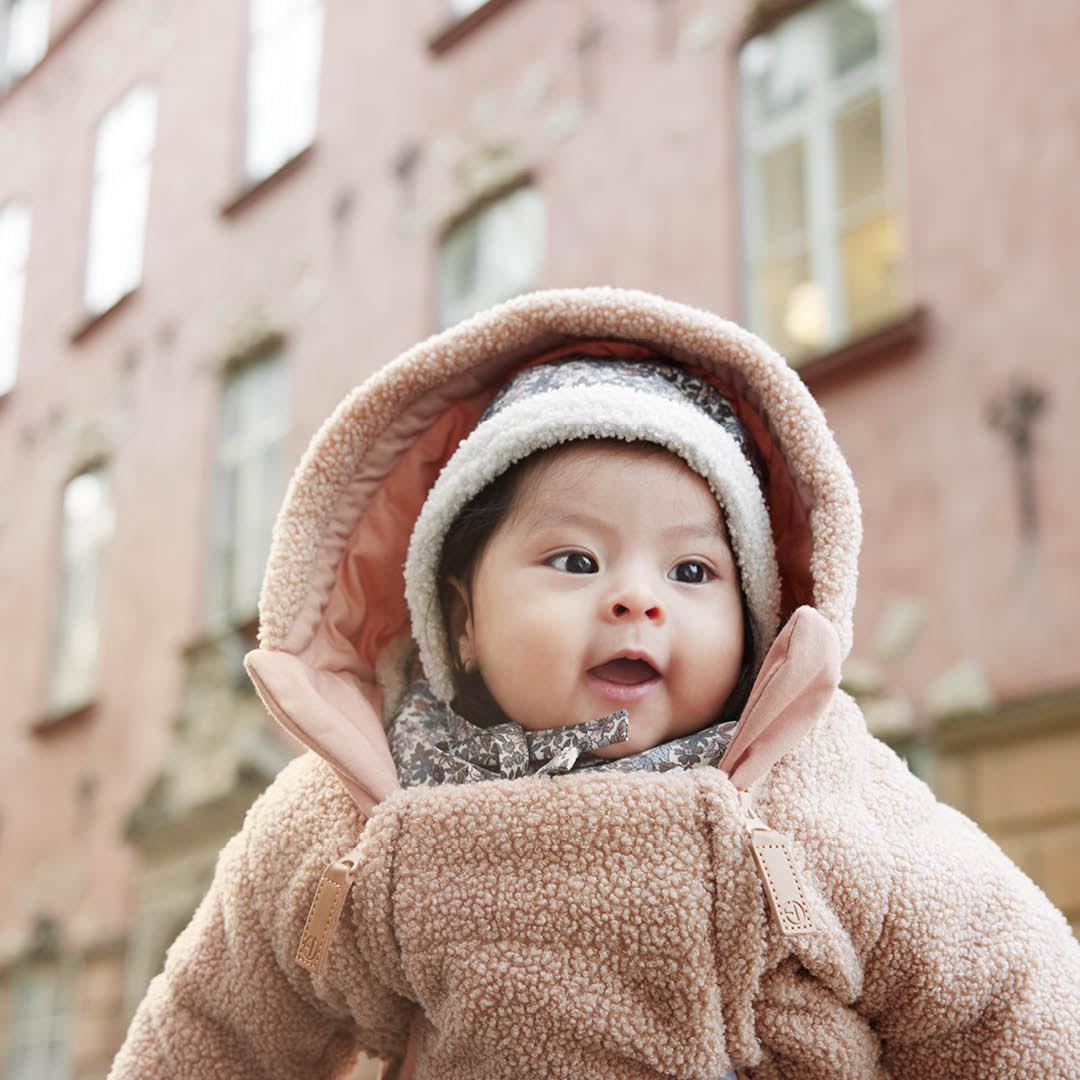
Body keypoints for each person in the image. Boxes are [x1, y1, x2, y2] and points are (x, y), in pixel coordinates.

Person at [108, 288, 1080, 1080]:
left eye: (692, 573)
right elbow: (208, 1032)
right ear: (461, 623)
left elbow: (1010, 996)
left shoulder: (814, 790)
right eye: (574, 561)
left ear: (753, 624)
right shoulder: (360, 816)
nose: (636, 600)